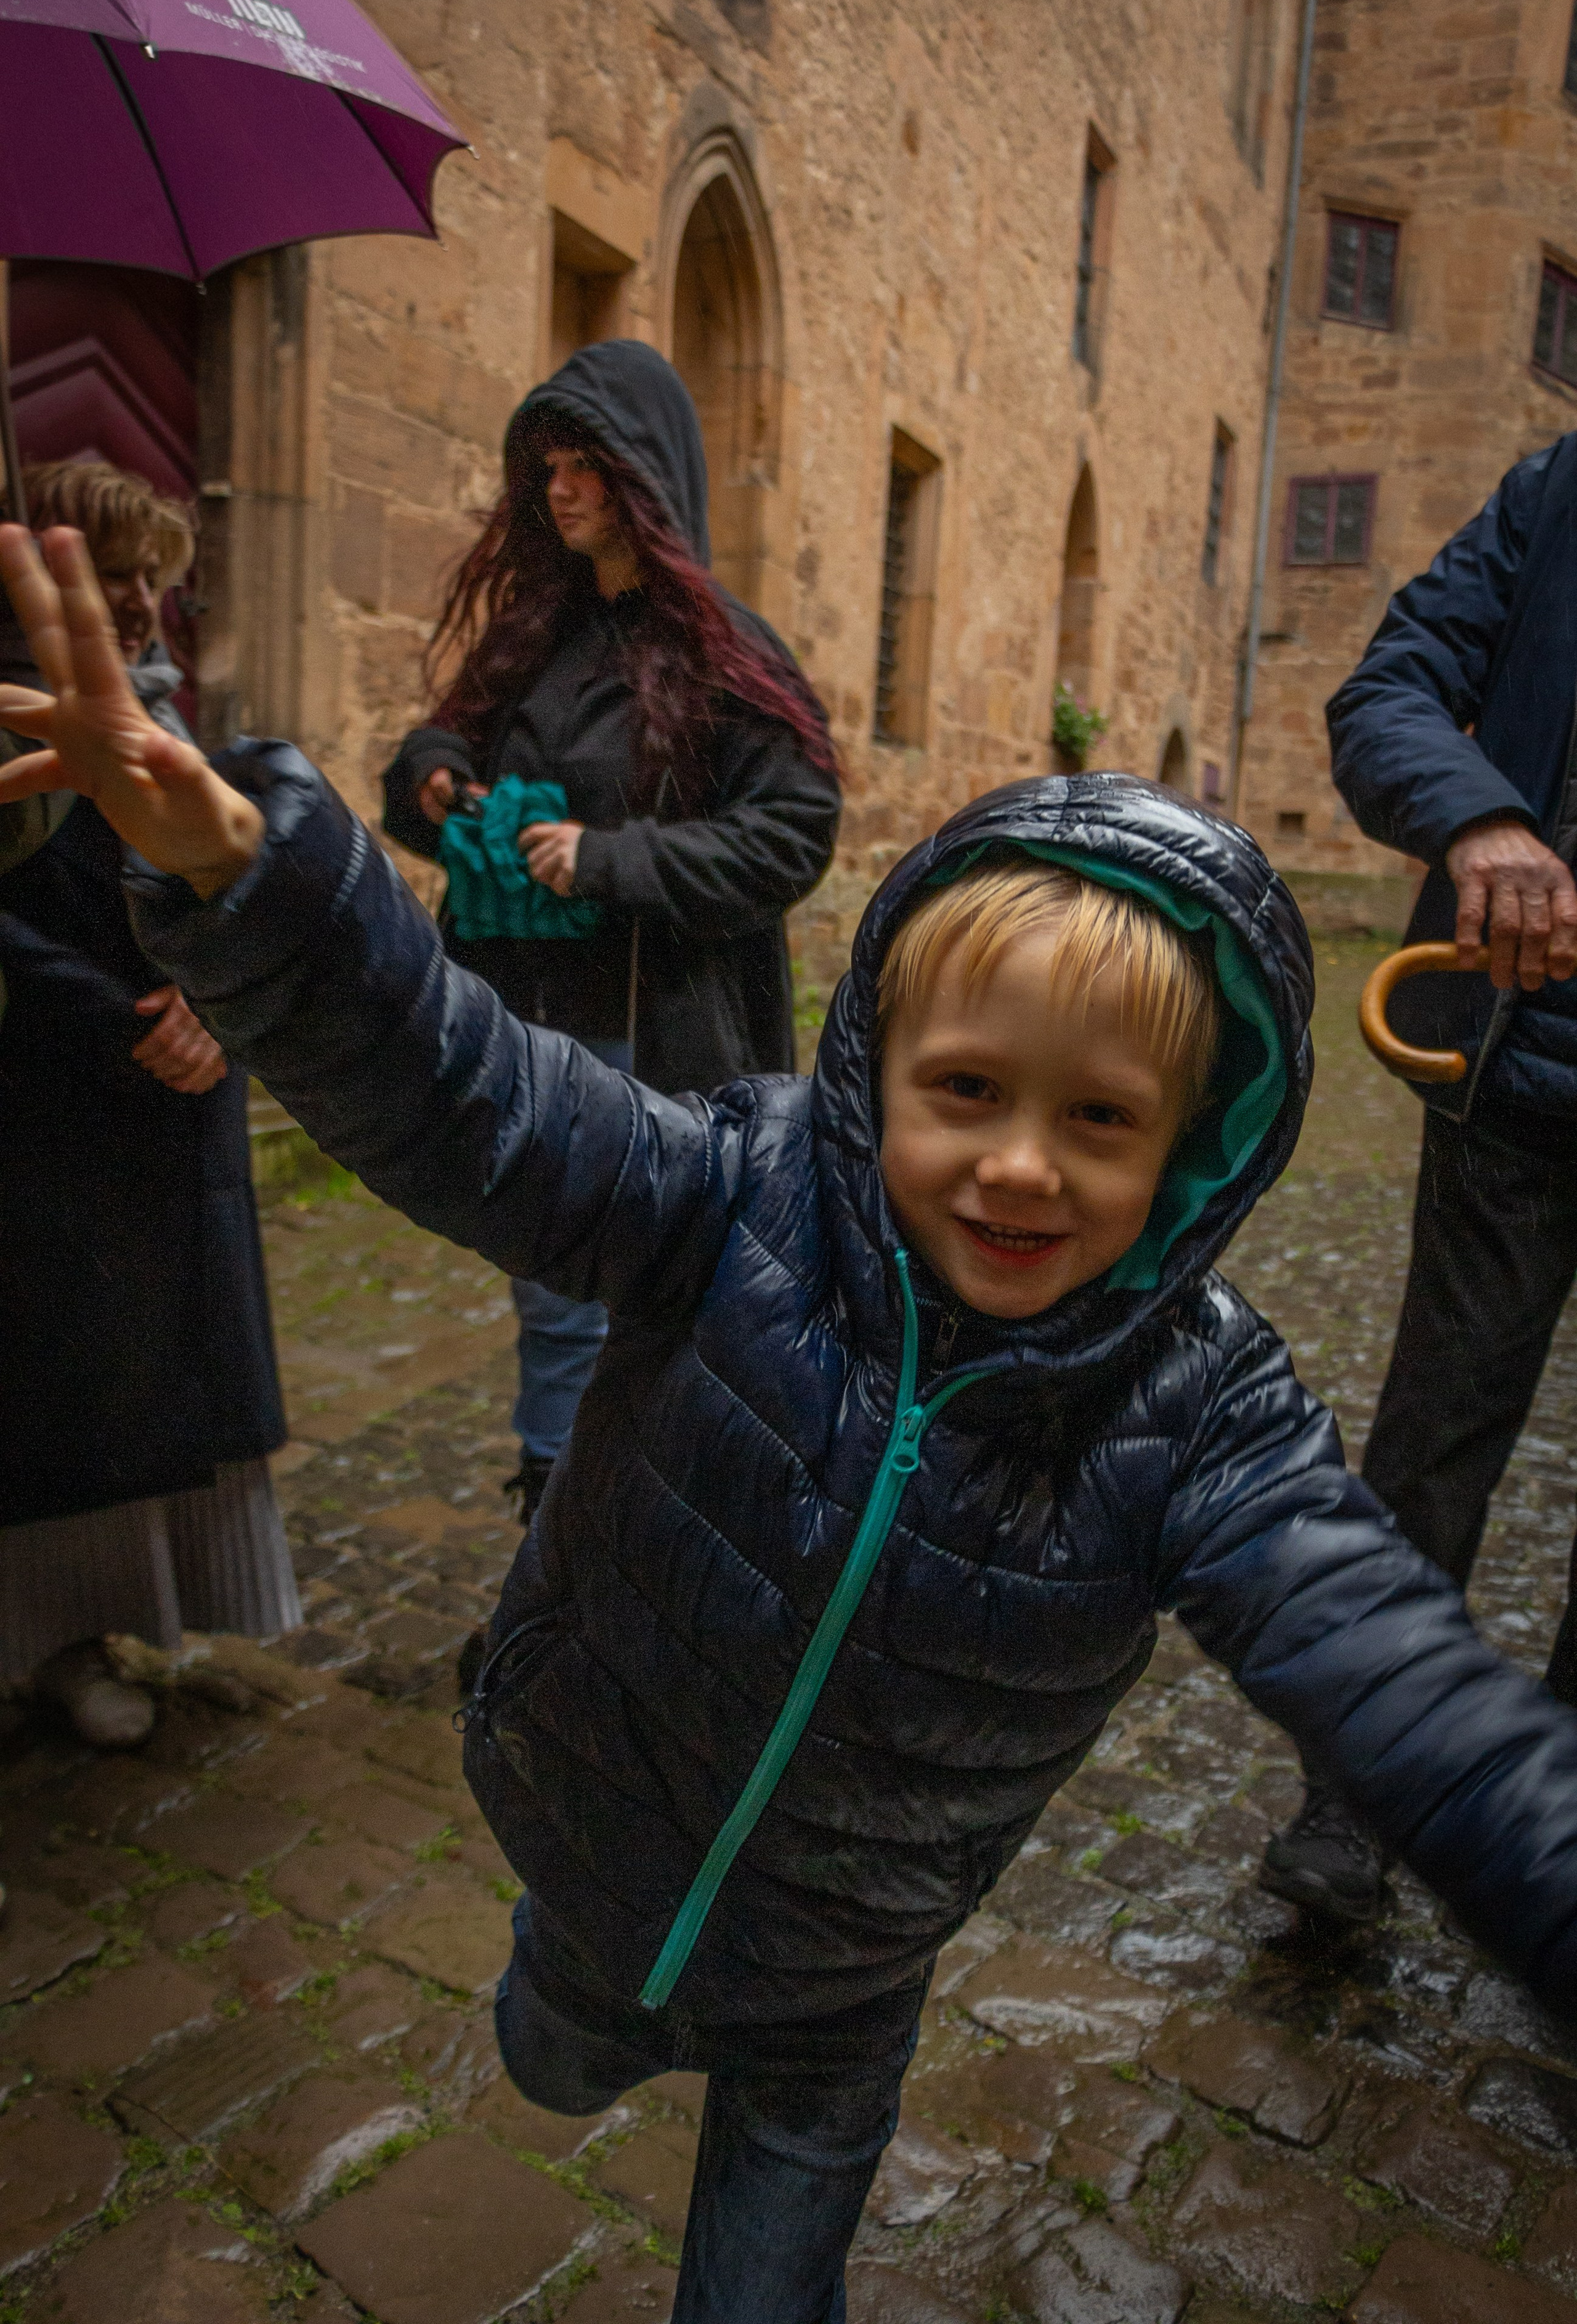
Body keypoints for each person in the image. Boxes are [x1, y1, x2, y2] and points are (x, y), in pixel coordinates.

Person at [9, 527, 1577, 2322]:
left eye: (1099, 1121)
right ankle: (577, 1997)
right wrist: (246, 876)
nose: (1016, 1165)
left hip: (851, 1962)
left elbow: (1420, 1702)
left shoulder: (1202, 1416)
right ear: (878, 1067)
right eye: (968, 1092)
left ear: (1194, 1152)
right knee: (559, 2054)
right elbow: (467, 1091)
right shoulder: (732, 1192)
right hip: (599, 1839)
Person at [382, 342, 840, 1523]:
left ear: (645, 479)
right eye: (549, 468)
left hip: (661, 1047)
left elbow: (793, 832)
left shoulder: (723, 655)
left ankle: (631, 1526)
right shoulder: (535, 638)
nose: (561, 490)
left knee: (649, 1300)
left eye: (587, 466)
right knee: (555, 1291)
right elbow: (447, 743)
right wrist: (433, 773)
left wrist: (609, 860)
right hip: (528, 1027)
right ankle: (560, 1520)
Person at [1259, 431, 1577, 1927]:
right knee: (1436, 1438)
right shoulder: (1555, 495)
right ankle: (1359, 1792)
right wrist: (1481, 817)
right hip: (1512, 1077)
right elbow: (1384, 688)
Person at [0, 471, 296, 1750]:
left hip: (173, 1102)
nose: (138, 603)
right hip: (50, 1097)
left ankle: (101, 1627)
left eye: (152, 577)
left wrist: (212, 995)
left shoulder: (173, 706)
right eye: (115, 573)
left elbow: (236, 872)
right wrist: (119, 1018)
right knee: (48, 1392)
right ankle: (34, 1645)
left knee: (145, 1386)